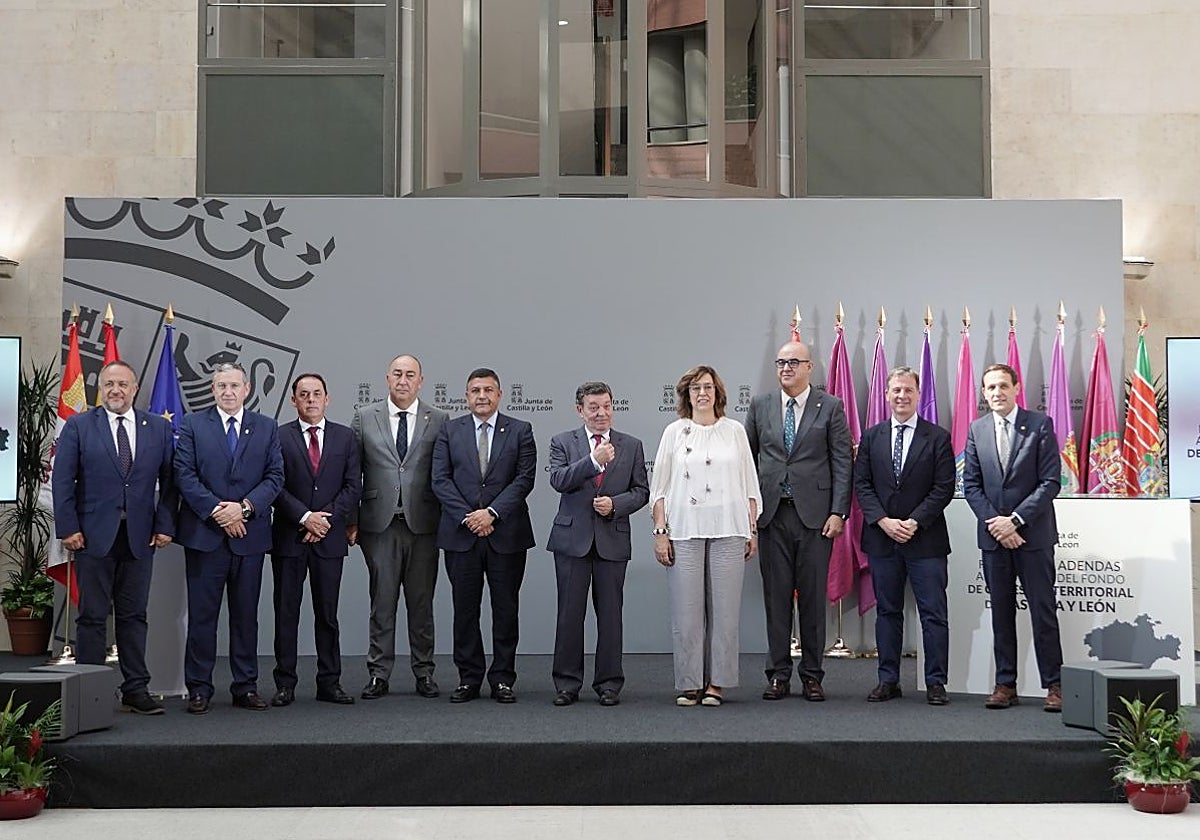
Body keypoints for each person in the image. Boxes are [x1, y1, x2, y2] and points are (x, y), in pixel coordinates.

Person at [51, 360, 177, 715]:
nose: (115, 390)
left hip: (140, 537)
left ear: (134, 389)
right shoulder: (79, 426)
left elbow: (170, 483)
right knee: (91, 615)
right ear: (100, 389)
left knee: (134, 615)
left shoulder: (157, 428)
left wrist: (165, 524)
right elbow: (62, 480)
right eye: (109, 384)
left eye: (122, 384)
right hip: (91, 536)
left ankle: (136, 688)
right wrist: (67, 528)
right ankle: (90, 692)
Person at [745, 341, 852, 702]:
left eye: (793, 362)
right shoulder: (760, 405)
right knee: (775, 599)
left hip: (816, 519)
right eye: (780, 362)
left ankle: (812, 676)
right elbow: (747, 461)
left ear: (810, 367)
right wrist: (748, 512)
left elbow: (842, 461)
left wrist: (839, 511)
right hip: (771, 515)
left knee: (811, 601)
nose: (786, 368)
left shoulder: (831, 406)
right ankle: (777, 674)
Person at [174, 362, 283, 714]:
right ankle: (199, 688)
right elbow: (184, 474)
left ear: (247, 389)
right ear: (212, 389)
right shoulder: (192, 424)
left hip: (249, 539)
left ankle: (245, 686)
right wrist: (220, 513)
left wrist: (245, 509)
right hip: (205, 537)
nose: (228, 392)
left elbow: (275, 477)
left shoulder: (266, 427)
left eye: (234, 385)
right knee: (203, 617)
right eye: (221, 386)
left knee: (245, 616)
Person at [650, 365, 760, 707]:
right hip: (683, 531)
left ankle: (717, 684)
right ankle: (690, 683)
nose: (702, 393)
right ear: (686, 394)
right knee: (687, 612)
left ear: (718, 393)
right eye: (696, 387)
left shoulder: (735, 431)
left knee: (725, 613)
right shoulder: (674, 432)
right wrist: (660, 533)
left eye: (708, 387)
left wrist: (752, 529)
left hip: (730, 529)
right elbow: (660, 488)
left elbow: (750, 485)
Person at [431, 367, 536, 704]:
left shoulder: (520, 430)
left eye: (488, 390)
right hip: (462, 535)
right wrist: (470, 517)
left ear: (499, 395)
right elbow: (440, 480)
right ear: (466, 395)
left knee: (505, 610)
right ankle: (469, 678)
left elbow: (524, 479)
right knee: (465, 611)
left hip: (506, 534)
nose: (482, 396)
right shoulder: (449, 430)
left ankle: (503, 679)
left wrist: (491, 513)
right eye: (475, 390)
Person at [963, 363, 1064, 712]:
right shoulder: (976, 430)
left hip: (1033, 537)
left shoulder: (1040, 425)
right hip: (994, 539)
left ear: (1017, 388)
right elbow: (971, 485)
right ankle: (1006, 684)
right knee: (1001, 613)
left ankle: (1055, 685)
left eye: (1003, 385)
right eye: (990, 387)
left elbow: (1051, 482)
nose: (996, 393)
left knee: (1043, 611)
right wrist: (997, 523)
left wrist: (1016, 521)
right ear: (983, 392)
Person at [348, 354, 448, 700]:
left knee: (422, 604)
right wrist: (351, 521)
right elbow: (351, 473)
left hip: (424, 525)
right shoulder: (364, 417)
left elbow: (444, 473)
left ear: (421, 381)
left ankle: (424, 672)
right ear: (387, 379)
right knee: (382, 601)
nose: (403, 380)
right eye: (397, 374)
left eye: (410, 375)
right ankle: (378, 673)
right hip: (379, 524)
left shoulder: (439, 419)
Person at [853, 366, 955, 705]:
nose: (901, 396)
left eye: (908, 390)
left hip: (925, 540)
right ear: (886, 395)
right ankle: (888, 680)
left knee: (933, 614)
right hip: (883, 540)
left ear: (918, 394)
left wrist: (913, 521)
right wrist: (882, 520)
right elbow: (863, 485)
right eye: (895, 390)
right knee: (888, 612)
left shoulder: (938, 436)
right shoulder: (872, 436)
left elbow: (944, 488)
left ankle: (936, 683)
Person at [547, 382, 649, 707]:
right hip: (572, 541)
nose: (601, 413)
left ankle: (608, 684)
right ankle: (566, 683)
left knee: (610, 615)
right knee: (569, 616)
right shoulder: (562, 442)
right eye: (594, 407)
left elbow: (641, 491)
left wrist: (615, 505)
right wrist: (592, 460)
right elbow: (559, 480)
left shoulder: (632, 445)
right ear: (580, 410)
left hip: (612, 541)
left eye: (606, 406)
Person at [269, 373, 362, 707]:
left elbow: (353, 486)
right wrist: (305, 517)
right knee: (286, 613)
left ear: (327, 398)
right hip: (289, 537)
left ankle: (329, 682)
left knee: (327, 614)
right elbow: (274, 484)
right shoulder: (277, 436)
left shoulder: (345, 438)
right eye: (303, 394)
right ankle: (285, 683)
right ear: (293, 400)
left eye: (316, 394)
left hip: (329, 538)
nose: (310, 399)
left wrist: (325, 520)